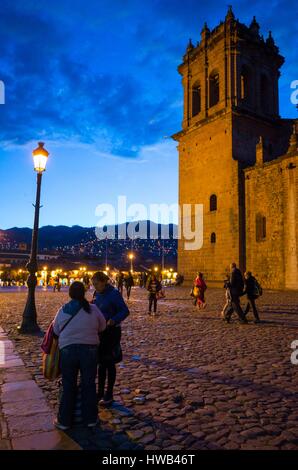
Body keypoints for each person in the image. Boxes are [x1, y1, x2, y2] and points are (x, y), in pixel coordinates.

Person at [52, 281, 106, 430]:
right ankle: (90, 419)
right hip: (89, 351)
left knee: (68, 384)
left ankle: (64, 421)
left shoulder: (62, 310)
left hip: (68, 350)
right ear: (83, 293)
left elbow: (55, 331)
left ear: (70, 294)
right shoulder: (93, 309)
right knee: (88, 384)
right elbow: (103, 326)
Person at [92, 271, 130, 406]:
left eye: (96, 284)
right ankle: (100, 392)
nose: (95, 287)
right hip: (100, 332)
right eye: (93, 284)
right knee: (100, 363)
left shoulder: (114, 294)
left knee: (109, 362)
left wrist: (114, 319)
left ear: (103, 282)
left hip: (112, 332)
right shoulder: (97, 294)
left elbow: (125, 311)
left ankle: (109, 393)